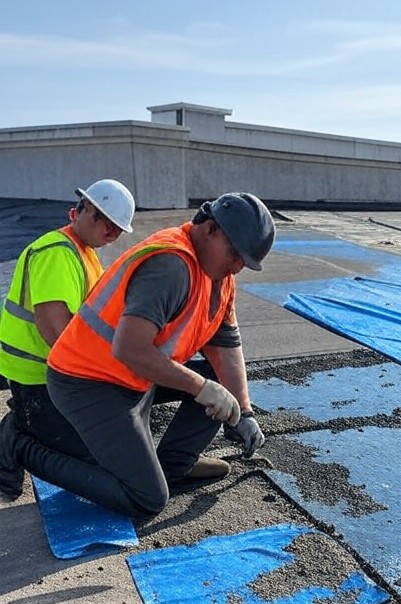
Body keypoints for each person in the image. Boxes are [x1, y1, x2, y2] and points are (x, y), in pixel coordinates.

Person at [1, 192, 275, 519]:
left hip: (133, 375)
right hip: (88, 382)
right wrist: (200, 388)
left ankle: (174, 467)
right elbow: (129, 348)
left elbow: (226, 344)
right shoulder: (171, 266)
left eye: (244, 262)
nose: (237, 267)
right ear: (211, 229)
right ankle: (21, 445)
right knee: (145, 499)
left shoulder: (220, 276)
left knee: (218, 382)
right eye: (234, 254)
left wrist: (243, 412)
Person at [0, 179, 136, 501]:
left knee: (105, 444)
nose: (111, 233)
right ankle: (17, 436)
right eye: (103, 221)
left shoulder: (85, 253)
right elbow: (54, 331)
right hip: (37, 377)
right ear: (80, 211)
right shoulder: (56, 252)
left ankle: (23, 424)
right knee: (89, 460)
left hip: (55, 371)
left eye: (117, 228)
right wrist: (97, 379)